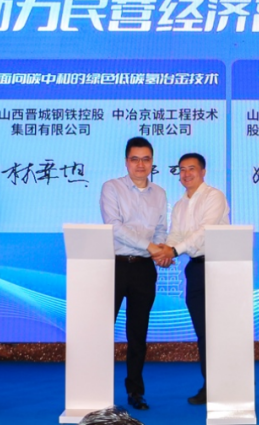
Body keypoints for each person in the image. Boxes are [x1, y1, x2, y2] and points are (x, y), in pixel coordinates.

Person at [100, 137, 170, 410]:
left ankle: (135, 391)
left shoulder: (160, 193)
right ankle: (96, 388)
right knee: (101, 329)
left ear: (152, 162)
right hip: (115, 266)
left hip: (144, 268)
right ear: (126, 161)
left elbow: (161, 229)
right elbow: (114, 226)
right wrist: (151, 247)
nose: (141, 165)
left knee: (138, 334)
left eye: (146, 159)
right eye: (135, 159)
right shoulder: (112, 188)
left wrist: (161, 250)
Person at [158, 153, 229, 405]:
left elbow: (204, 232)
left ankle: (233, 382)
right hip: (196, 269)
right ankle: (211, 385)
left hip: (219, 267)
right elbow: (176, 234)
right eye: (182, 170)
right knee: (204, 331)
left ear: (203, 172)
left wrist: (173, 251)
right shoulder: (179, 205)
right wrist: (164, 251)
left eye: (192, 168)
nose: (186, 174)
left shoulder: (214, 196)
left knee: (223, 330)